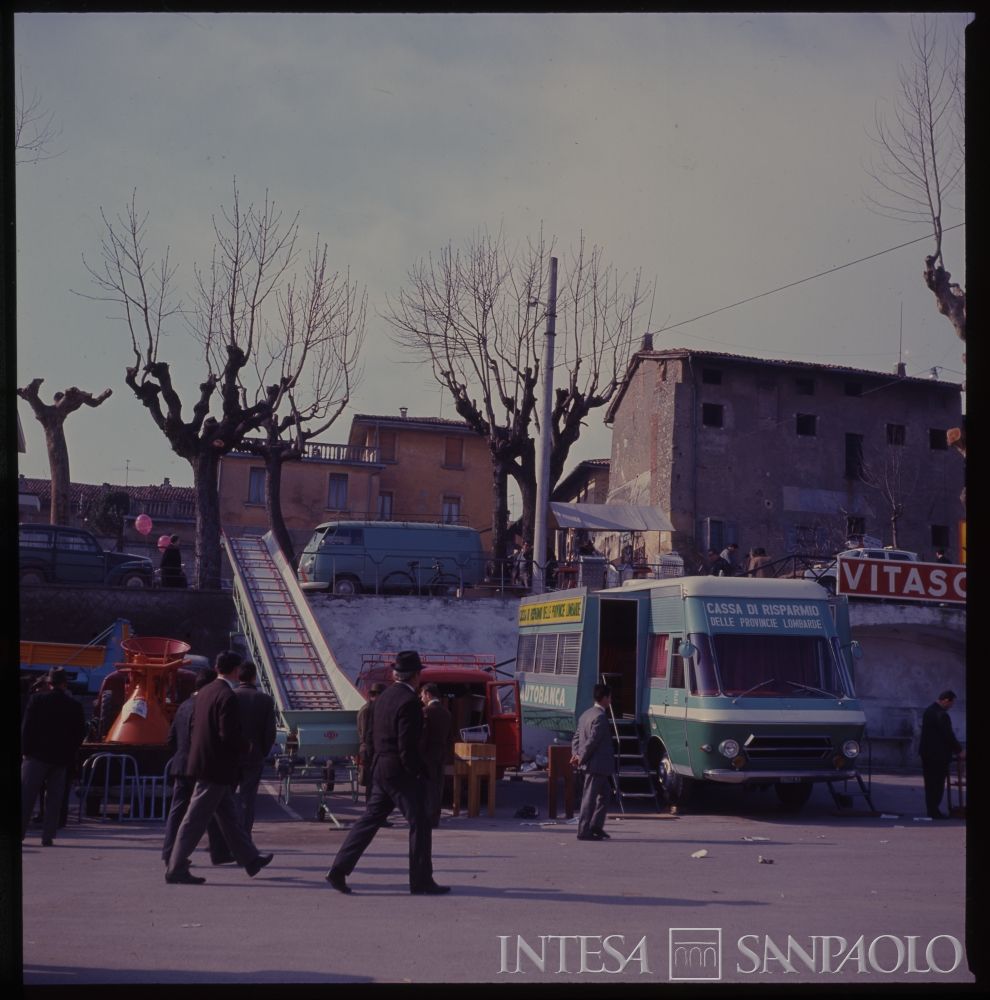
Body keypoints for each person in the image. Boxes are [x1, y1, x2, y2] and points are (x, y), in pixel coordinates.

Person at [325, 650, 449, 895]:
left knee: (369, 820)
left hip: (381, 767)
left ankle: (338, 869)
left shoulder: (383, 697)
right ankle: (421, 880)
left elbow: (371, 734)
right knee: (421, 821)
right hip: (399, 771)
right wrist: (418, 773)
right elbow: (407, 746)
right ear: (415, 676)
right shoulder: (410, 702)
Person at [165, 651, 274, 885]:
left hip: (204, 762)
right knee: (194, 819)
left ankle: (250, 859)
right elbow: (228, 734)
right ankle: (176, 866)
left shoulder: (205, 692)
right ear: (235, 670)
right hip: (216, 766)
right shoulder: (227, 696)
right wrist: (247, 746)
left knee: (230, 816)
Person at [161, 669, 233, 866]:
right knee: (204, 812)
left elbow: (171, 738)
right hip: (199, 766)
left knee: (178, 812)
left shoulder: (183, 706)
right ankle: (216, 852)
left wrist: (180, 755)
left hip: (180, 765)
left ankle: (169, 853)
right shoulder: (203, 706)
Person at [21, 668, 87, 847]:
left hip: (35, 756)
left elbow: (27, 728)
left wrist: (26, 751)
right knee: (54, 799)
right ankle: (48, 835)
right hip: (60, 759)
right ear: (65, 684)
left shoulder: (37, 700)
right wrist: (69, 753)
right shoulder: (74, 706)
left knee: (26, 797)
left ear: (49, 683)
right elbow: (79, 734)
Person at [234, 661, 277, 835]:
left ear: (238, 676)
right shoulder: (265, 700)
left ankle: (226, 838)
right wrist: (262, 752)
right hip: (254, 755)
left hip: (231, 755)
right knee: (247, 799)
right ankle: (244, 838)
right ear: (254, 677)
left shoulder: (230, 695)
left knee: (227, 798)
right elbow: (270, 732)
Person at [570, 683, 616, 842]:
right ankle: (584, 830)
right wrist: (580, 757)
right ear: (604, 698)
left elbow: (576, 738)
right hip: (596, 765)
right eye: (609, 697)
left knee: (605, 794)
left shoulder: (586, 714)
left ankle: (596, 826)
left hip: (594, 764)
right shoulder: (600, 717)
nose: (610, 701)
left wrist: (575, 754)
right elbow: (592, 741)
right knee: (590, 798)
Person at [919, 689, 964, 819]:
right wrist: (959, 750)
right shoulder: (941, 715)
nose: (951, 707)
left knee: (930, 783)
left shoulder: (929, 711)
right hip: (938, 755)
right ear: (945, 700)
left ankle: (931, 810)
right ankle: (934, 811)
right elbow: (948, 735)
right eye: (951, 704)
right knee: (937, 783)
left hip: (927, 753)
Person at [420, 683, 452, 828]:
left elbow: (423, 736)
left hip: (427, 755)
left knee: (427, 787)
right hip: (441, 753)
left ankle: (428, 816)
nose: (421, 697)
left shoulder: (426, 712)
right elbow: (450, 736)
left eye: (422, 694)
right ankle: (435, 817)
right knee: (438, 785)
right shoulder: (446, 712)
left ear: (428, 694)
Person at [357, 682, 387, 803]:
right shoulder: (368, 710)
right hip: (370, 750)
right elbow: (365, 734)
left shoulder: (372, 708)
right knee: (372, 783)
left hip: (372, 750)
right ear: (376, 695)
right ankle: (371, 812)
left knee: (376, 783)